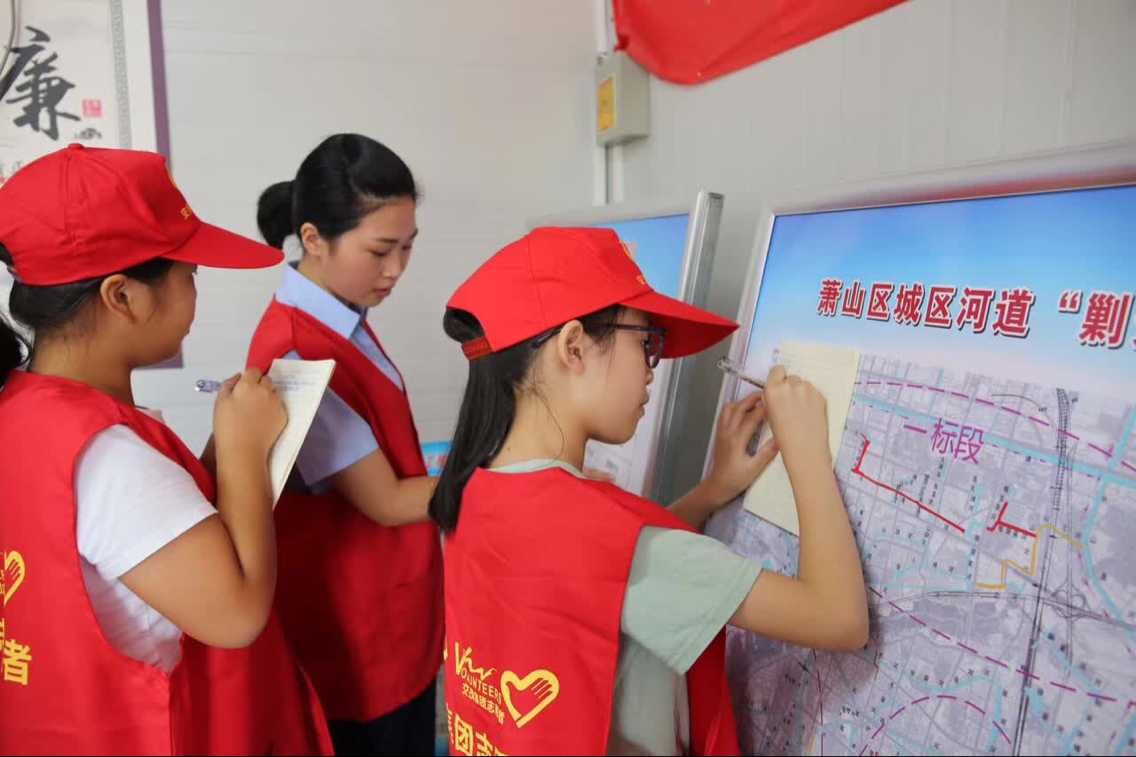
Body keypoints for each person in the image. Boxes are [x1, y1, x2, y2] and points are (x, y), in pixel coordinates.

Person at [432, 227, 869, 755]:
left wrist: (713, 490)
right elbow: (839, 618)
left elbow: (604, 576)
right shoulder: (602, 536)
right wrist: (805, 450)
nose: (651, 372)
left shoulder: (474, 488)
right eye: (647, 344)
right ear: (573, 346)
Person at [0, 144, 331, 754]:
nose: (195, 294)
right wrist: (242, 451)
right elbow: (236, 616)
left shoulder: (24, 409)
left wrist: (222, 454)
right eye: (189, 275)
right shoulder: (106, 455)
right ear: (123, 296)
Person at [246, 134, 441, 755]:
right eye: (380, 250)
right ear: (312, 238)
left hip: (394, 610)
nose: (396, 270)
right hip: (363, 636)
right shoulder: (298, 352)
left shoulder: (341, 315)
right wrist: (508, 473)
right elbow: (387, 501)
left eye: (408, 247)